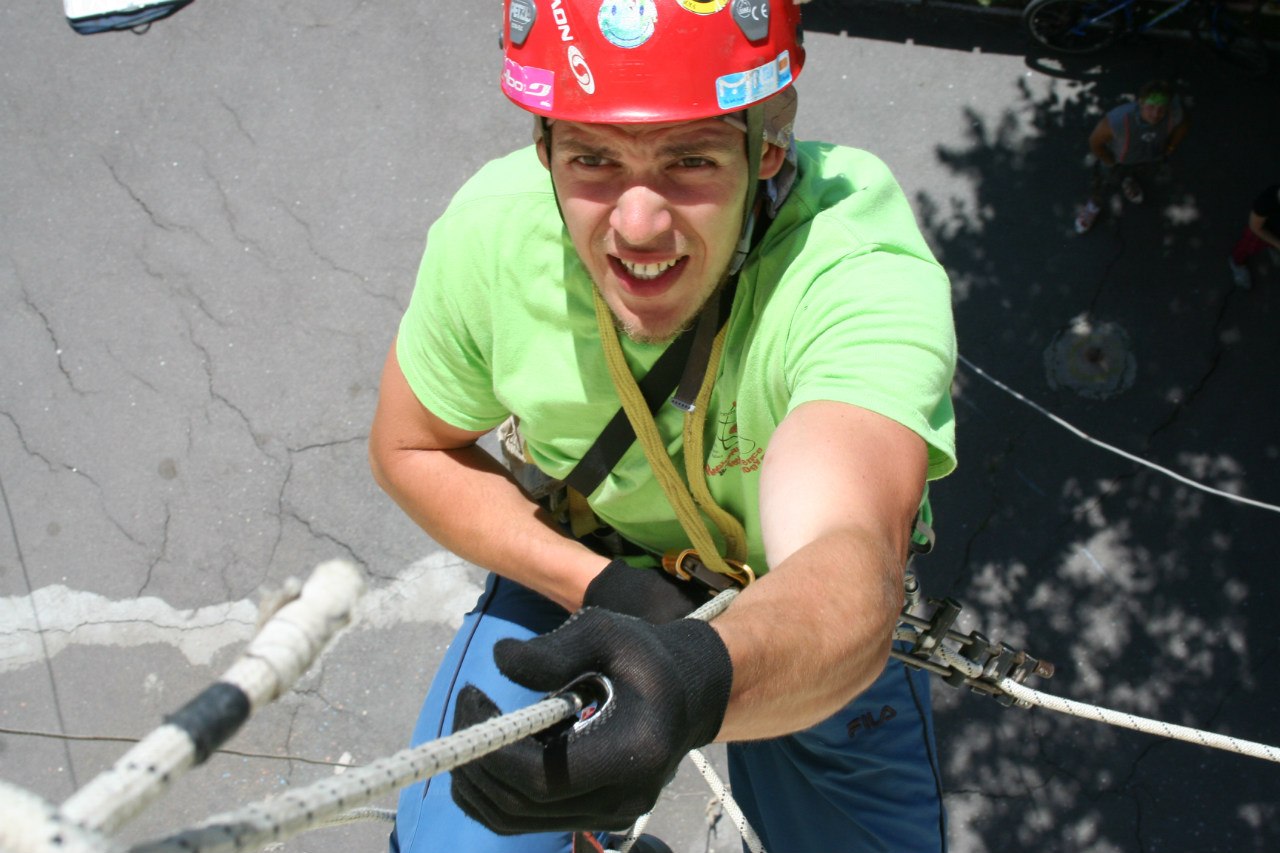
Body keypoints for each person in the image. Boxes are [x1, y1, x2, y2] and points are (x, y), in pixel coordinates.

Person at [368, 2, 957, 851]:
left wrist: (698, 676)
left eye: (691, 159)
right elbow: (409, 445)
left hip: (797, 611)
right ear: (546, 152)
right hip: (594, 561)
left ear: (769, 150)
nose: (638, 225)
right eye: (592, 159)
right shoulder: (494, 238)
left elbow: (848, 551)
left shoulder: (853, 265)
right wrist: (594, 584)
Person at [1074, 79, 1190, 234]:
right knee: (1102, 185)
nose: (1156, 114)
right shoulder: (1119, 119)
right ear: (1140, 102)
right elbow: (1095, 142)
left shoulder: (1173, 114)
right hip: (1118, 162)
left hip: (1149, 159)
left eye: (1162, 108)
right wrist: (1110, 161)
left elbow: (1183, 125)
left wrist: (1170, 147)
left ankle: (1129, 181)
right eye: (1151, 107)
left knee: (1139, 173)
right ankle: (1093, 206)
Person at [1228, 183, 1280, 289]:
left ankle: (1273, 247)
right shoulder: (1267, 201)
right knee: (1245, 248)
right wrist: (1277, 243)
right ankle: (1237, 264)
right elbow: (1255, 227)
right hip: (1263, 231)